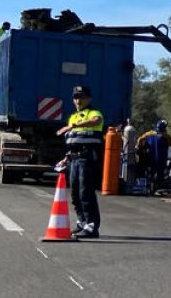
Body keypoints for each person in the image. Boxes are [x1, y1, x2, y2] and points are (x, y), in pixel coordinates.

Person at [56, 85, 104, 238]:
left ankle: (91, 226)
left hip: (87, 158)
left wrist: (74, 126)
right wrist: (65, 158)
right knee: (75, 193)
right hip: (74, 159)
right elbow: (72, 141)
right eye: (76, 97)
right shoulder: (72, 117)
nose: (78, 100)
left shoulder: (93, 113)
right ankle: (82, 222)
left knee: (86, 192)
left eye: (82, 97)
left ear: (88, 98)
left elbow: (96, 120)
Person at [137, 119, 171, 194]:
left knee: (150, 174)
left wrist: (141, 148)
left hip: (150, 159)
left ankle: (149, 188)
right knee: (160, 176)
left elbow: (139, 140)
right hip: (161, 161)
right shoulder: (165, 137)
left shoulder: (148, 134)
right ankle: (157, 189)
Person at [121, 119, 137, 190]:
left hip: (128, 154)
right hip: (129, 154)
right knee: (127, 167)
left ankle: (128, 185)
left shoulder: (128, 129)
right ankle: (128, 184)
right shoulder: (130, 129)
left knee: (128, 168)